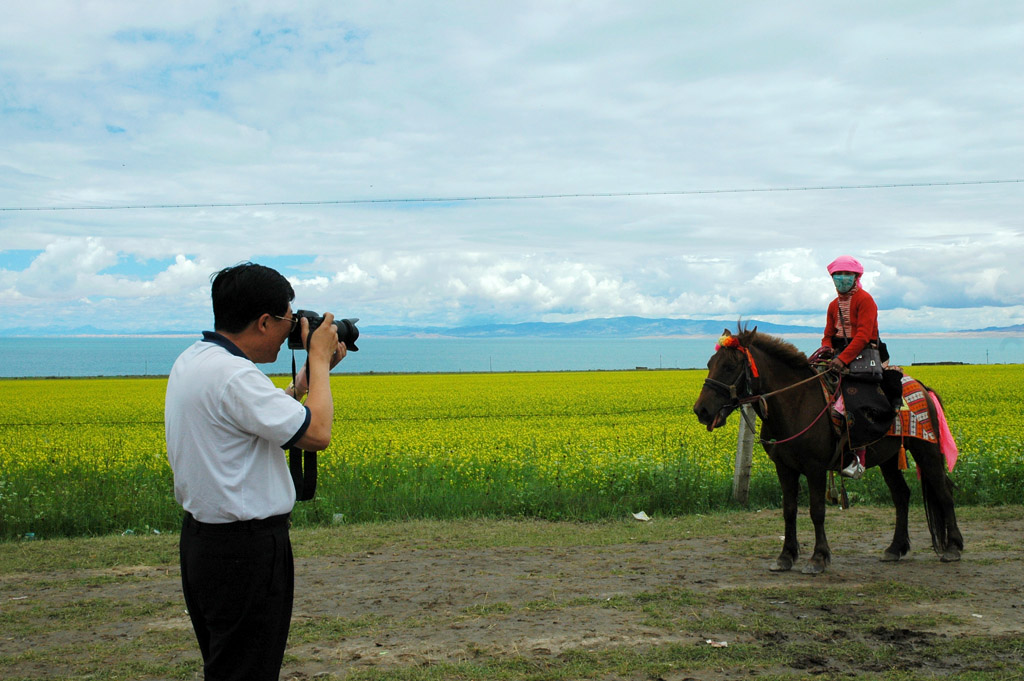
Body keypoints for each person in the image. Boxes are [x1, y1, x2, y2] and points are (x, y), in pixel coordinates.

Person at [165, 262, 346, 681]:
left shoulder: (196, 359)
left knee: (228, 665)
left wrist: (303, 384)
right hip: (245, 553)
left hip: (204, 544)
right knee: (247, 671)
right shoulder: (234, 375)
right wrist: (318, 360)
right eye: (287, 320)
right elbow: (317, 433)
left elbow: (248, 415)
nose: (290, 332)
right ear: (264, 321)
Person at [810, 255, 895, 479]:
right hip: (839, 356)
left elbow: (864, 335)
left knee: (855, 403)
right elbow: (828, 335)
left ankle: (858, 459)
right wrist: (827, 349)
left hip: (863, 355)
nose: (842, 279)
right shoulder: (833, 305)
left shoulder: (865, 300)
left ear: (856, 277)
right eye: (838, 275)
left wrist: (843, 359)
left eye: (847, 274)